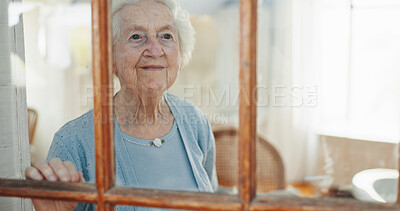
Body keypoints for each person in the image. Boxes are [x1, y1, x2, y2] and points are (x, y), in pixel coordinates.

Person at [25, 0, 218, 210]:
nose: (155, 49)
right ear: (110, 58)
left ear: (180, 56)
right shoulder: (73, 142)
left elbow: (213, 199)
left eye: (166, 36)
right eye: (136, 36)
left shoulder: (195, 122)